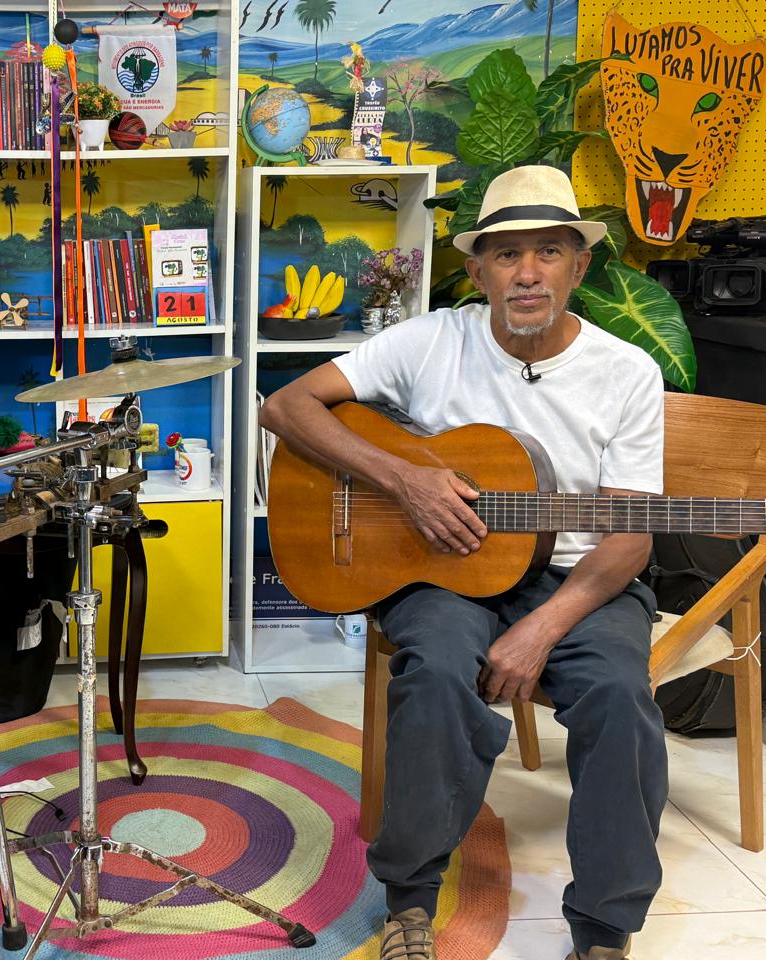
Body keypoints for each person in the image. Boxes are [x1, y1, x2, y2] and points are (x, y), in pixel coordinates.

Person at [259, 165, 666, 960]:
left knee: (621, 696)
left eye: (549, 252)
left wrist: (541, 630)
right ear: (478, 272)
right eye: (507, 254)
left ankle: (604, 930)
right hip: (446, 572)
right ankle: (409, 903)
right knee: (438, 673)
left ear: (579, 267)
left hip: (581, 581)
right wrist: (402, 479)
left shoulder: (627, 373)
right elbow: (286, 406)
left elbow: (630, 537)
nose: (528, 273)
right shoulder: (431, 340)